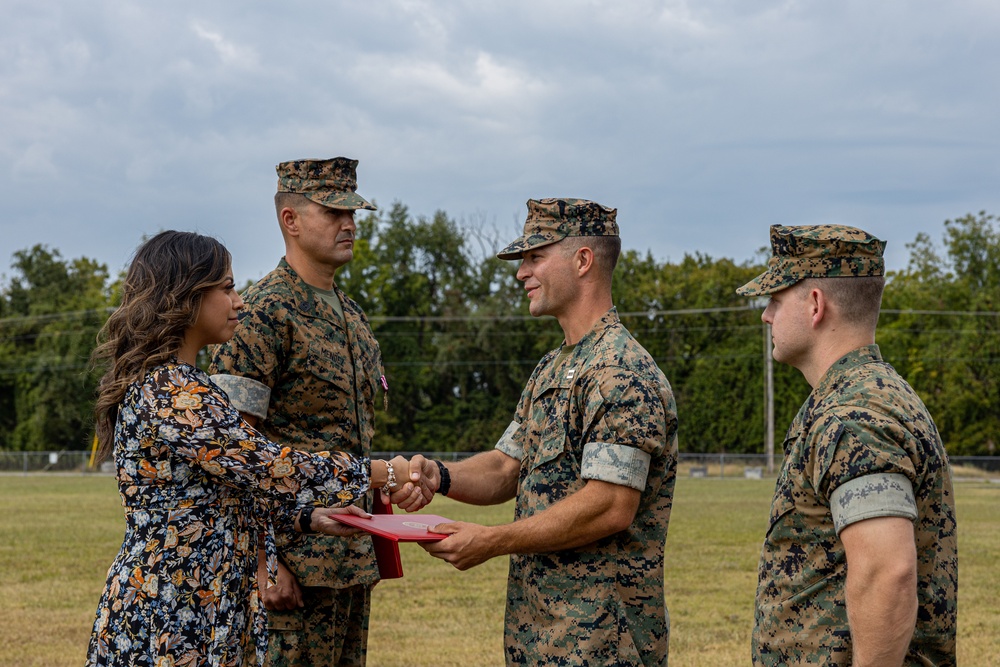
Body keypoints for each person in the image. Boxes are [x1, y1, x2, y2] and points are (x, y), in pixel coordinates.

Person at [85, 231, 412, 667]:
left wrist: (311, 518)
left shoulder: (190, 385)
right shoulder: (169, 390)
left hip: (202, 604)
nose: (239, 301)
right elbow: (270, 467)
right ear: (185, 297)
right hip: (170, 609)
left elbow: (222, 500)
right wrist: (382, 473)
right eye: (226, 288)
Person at [408, 198, 679, 666]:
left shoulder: (620, 370)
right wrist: (440, 475)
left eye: (535, 257)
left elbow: (611, 506)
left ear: (582, 261)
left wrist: (492, 540)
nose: (521, 273)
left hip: (602, 642)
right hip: (540, 635)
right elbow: (505, 466)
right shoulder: (554, 367)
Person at [736, 225, 958, 666]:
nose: (766, 315)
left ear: (815, 304)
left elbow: (887, 573)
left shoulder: (854, 415)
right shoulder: (869, 395)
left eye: (776, 299)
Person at [209, 157, 395, 667]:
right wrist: (263, 561)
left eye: (353, 212)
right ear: (290, 220)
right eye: (334, 211)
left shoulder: (352, 316)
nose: (349, 224)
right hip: (290, 572)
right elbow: (229, 451)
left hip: (351, 560)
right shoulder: (262, 313)